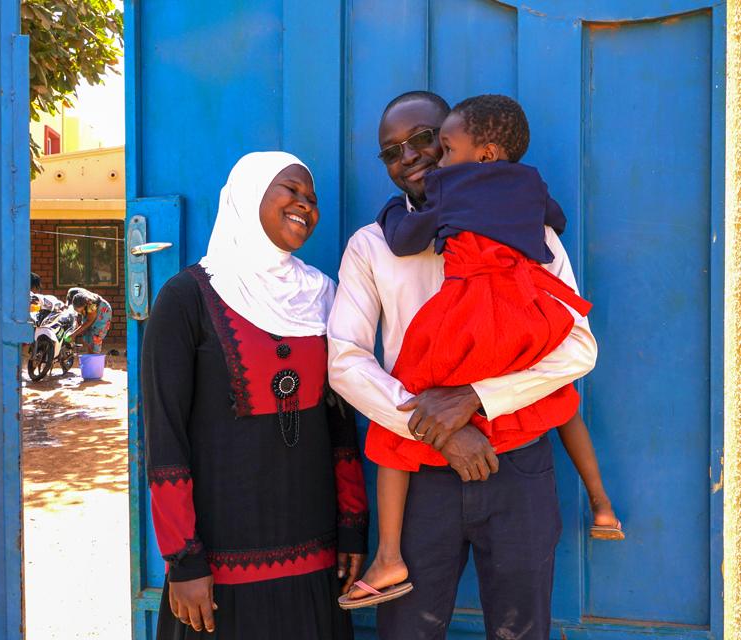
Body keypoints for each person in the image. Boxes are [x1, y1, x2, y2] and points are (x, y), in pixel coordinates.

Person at [327, 91, 597, 639]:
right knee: (407, 631)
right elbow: (346, 361)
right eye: (391, 151)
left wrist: (473, 400)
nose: (410, 156)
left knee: (521, 629)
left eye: (424, 139)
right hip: (420, 475)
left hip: (517, 466)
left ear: (457, 140)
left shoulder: (525, 230)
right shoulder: (372, 246)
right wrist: (438, 431)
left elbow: (578, 347)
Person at [142, 152, 369, 640]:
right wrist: (183, 561)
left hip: (314, 555)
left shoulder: (322, 297)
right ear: (247, 197)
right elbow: (165, 439)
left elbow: (340, 425)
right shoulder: (186, 299)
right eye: (291, 190)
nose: (305, 206)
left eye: (312, 199)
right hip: (220, 568)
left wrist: (353, 525)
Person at [66, 287, 112, 354]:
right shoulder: (72, 294)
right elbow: (69, 307)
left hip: (102, 311)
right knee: (86, 334)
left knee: (96, 335)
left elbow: (89, 321)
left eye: (80, 310)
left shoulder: (91, 304)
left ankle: (95, 359)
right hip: (88, 311)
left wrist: (74, 334)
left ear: (85, 305)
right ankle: (90, 355)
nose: (78, 311)